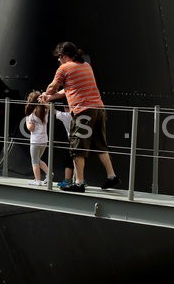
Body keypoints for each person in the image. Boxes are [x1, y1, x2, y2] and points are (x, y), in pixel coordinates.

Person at [40, 42, 119, 193]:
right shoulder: (86, 66)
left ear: (64, 55)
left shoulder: (64, 68)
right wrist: (50, 98)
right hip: (99, 109)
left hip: (83, 111)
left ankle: (79, 183)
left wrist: (46, 93)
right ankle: (111, 176)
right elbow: (68, 90)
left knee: (77, 147)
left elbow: (52, 87)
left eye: (59, 57)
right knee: (99, 144)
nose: (58, 60)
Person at [24, 90, 49, 186]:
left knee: (34, 161)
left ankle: (38, 181)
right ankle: (48, 174)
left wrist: (27, 121)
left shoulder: (31, 115)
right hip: (44, 140)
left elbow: (31, 128)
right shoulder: (45, 111)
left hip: (35, 141)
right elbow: (49, 107)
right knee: (38, 159)